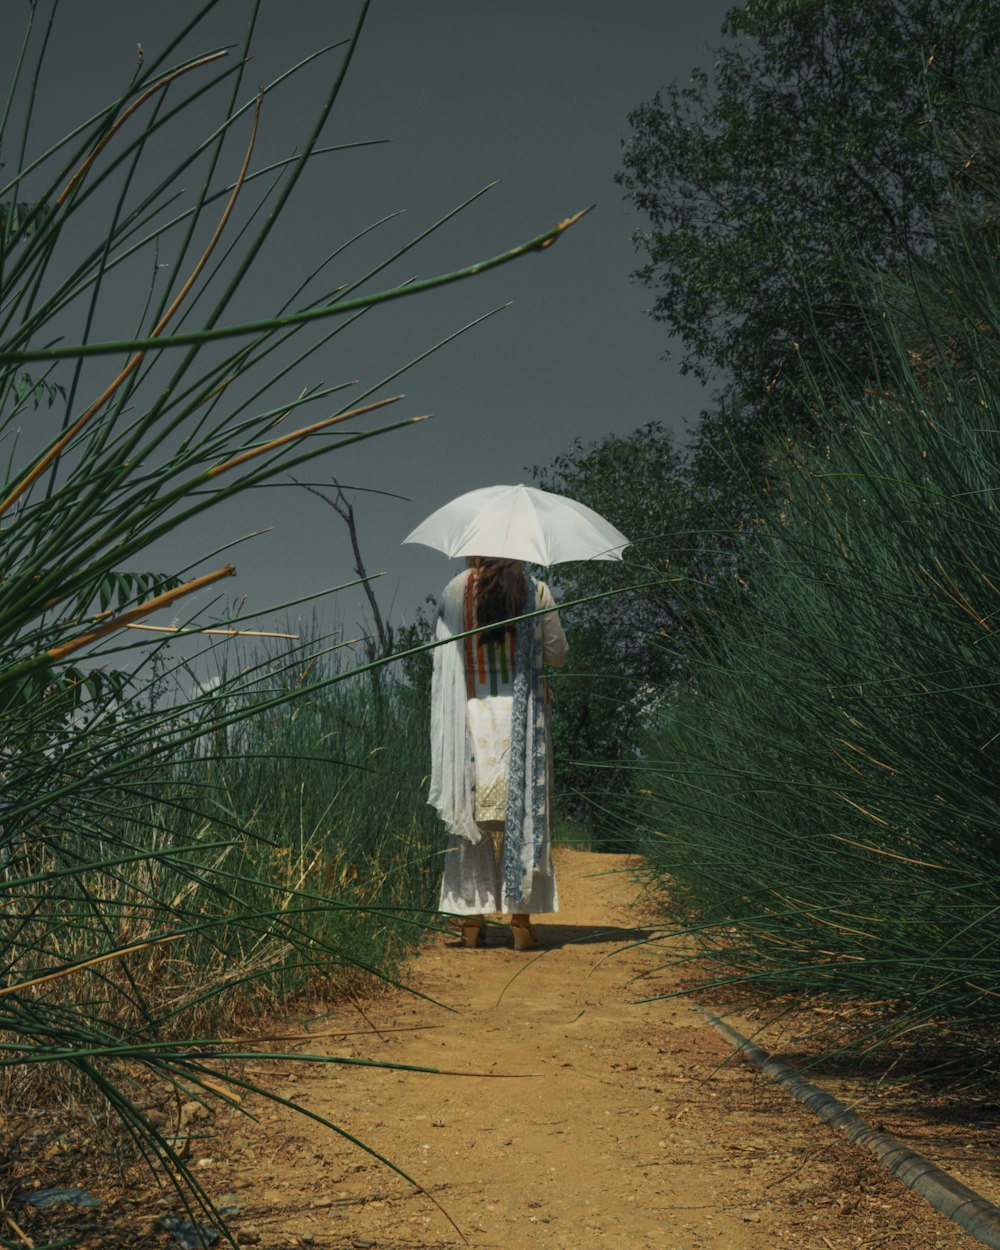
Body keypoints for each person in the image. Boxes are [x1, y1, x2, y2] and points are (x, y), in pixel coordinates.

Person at [429, 556, 568, 949]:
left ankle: (471, 923)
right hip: (523, 717)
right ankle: (520, 922)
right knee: (523, 818)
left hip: (473, 716)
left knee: (468, 824)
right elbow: (557, 653)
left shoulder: (456, 591)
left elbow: (441, 653)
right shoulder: (536, 591)